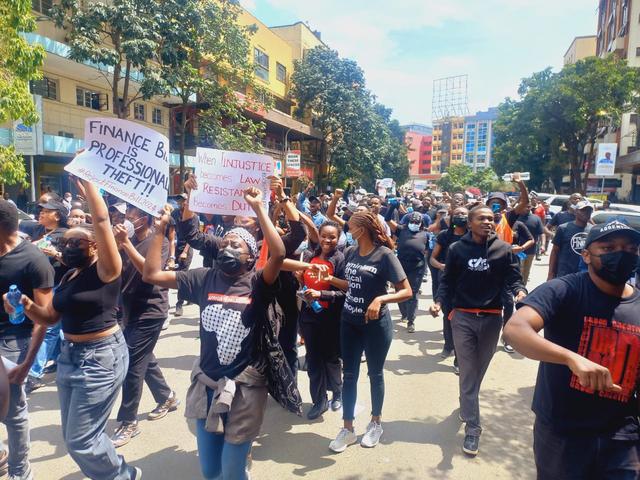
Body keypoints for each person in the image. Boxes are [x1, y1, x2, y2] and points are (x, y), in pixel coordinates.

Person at [142, 187, 288, 480]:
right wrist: (159, 231)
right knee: (210, 472)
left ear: (250, 257)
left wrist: (259, 208)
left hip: (245, 390)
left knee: (232, 471)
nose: (228, 247)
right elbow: (152, 275)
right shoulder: (203, 278)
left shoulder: (258, 282)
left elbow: (280, 253)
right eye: (225, 243)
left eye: (238, 245)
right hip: (207, 385)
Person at [6, 177, 141, 479]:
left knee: (82, 441)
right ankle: (117, 471)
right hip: (70, 356)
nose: (68, 247)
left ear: (94, 246)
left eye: (76, 242)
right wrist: (25, 305)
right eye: (65, 242)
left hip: (100, 358)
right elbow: (50, 318)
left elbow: (103, 220)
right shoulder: (68, 277)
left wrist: (90, 184)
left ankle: (121, 475)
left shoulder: (107, 270)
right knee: (76, 438)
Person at [504, 220, 640, 479]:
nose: (621, 254)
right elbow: (515, 330)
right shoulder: (563, 289)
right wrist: (571, 358)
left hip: (623, 435)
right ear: (586, 255)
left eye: (630, 249)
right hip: (563, 431)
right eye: (609, 247)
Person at [429, 205, 527, 457]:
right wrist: (440, 303)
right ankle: (473, 428)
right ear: (470, 223)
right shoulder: (457, 249)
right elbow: (447, 281)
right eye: (481, 218)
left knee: (476, 373)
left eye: (490, 219)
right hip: (462, 318)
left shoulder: (504, 250)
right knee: (468, 371)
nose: (487, 222)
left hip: (492, 319)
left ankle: (466, 401)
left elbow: (514, 278)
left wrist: (520, 291)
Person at [323, 211, 412, 453]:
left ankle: (375, 423)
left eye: (350, 226)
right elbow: (350, 285)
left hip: (376, 325)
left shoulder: (384, 255)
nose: (347, 229)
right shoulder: (351, 253)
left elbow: (406, 291)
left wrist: (381, 299)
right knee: (349, 375)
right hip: (349, 321)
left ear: (361, 229)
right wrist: (329, 278)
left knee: (375, 374)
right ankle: (348, 429)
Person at [110, 205, 178, 448]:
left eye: (133, 216)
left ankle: (128, 421)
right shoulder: (124, 240)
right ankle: (166, 396)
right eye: (124, 216)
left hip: (151, 310)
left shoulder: (156, 242)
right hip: (128, 309)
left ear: (145, 218)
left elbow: (149, 272)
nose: (128, 220)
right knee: (144, 358)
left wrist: (125, 244)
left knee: (132, 365)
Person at [0, 199, 53, 480]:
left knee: (12, 411)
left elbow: (44, 318)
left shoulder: (33, 259)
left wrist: (26, 367)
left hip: (12, 341)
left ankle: (20, 472)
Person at [283, 221, 345, 420]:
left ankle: (337, 392)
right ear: (318, 235)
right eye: (324, 236)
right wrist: (300, 280)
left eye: (332, 237)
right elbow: (303, 284)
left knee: (331, 358)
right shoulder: (309, 256)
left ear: (338, 238)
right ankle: (319, 400)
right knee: (313, 359)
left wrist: (321, 294)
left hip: (331, 318)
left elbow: (344, 291)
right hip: (309, 317)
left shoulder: (340, 259)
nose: (328, 240)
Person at [25, 199, 70, 393]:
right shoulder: (37, 231)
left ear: (57, 216)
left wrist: (57, 253)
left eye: (47, 211)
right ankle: (62, 360)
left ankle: (33, 374)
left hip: (57, 284)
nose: (41, 213)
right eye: (41, 210)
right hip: (39, 285)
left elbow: (74, 261)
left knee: (48, 327)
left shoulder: (64, 235)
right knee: (58, 328)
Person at [429, 206, 469, 367]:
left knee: (462, 319)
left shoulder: (473, 236)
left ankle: (459, 358)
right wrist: (441, 266)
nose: (460, 216)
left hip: (467, 282)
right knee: (448, 315)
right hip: (447, 279)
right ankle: (448, 345)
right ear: (452, 216)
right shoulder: (445, 235)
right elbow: (432, 258)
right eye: (458, 213)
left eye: (464, 214)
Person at [385, 207, 429, 333]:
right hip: (400, 265)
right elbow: (388, 219)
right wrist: (393, 206)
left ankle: (411, 321)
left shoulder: (425, 234)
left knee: (413, 293)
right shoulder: (401, 230)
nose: (414, 224)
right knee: (399, 291)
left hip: (417, 267)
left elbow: (427, 250)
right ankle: (404, 314)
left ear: (421, 224)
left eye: (417, 223)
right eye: (412, 222)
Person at [547, 200, 593, 280]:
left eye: (589, 211)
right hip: (565, 275)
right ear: (575, 212)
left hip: (585, 276)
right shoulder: (563, 228)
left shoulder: (593, 230)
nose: (586, 213)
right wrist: (551, 273)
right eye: (583, 210)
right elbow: (555, 251)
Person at [169, 194, 193, 317]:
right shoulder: (174, 214)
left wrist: (184, 252)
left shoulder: (193, 215)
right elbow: (171, 232)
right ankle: (190, 294)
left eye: (182, 200)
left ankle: (179, 304)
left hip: (186, 250)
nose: (180, 203)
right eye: (178, 200)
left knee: (182, 277)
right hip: (175, 248)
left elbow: (193, 236)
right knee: (174, 274)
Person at [517, 208, 545, 286]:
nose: (527, 207)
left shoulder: (536, 218)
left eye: (528, 206)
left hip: (531, 250)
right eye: (525, 205)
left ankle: (523, 288)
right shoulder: (516, 217)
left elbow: (541, 233)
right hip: (517, 249)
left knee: (526, 271)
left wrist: (543, 245)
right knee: (519, 270)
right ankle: (516, 288)